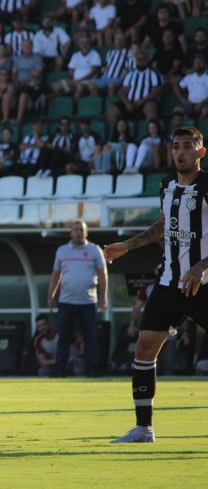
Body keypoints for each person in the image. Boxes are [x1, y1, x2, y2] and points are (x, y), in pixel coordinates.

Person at [104, 126, 208, 443]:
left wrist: (201, 266)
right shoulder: (166, 185)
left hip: (203, 283)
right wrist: (127, 246)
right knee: (145, 346)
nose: (180, 151)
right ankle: (143, 428)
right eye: (176, 146)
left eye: (187, 145)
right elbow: (163, 226)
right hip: (168, 283)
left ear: (200, 152)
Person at [47, 220, 107, 378]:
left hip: (88, 302)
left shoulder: (95, 250)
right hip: (66, 302)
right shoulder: (62, 251)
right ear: (71, 232)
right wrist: (51, 296)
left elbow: (103, 276)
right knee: (63, 337)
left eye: (81, 230)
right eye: (76, 230)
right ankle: (60, 370)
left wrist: (103, 297)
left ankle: (92, 369)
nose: (79, 232)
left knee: (91, 337)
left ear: (86, 232)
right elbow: (55, 275)